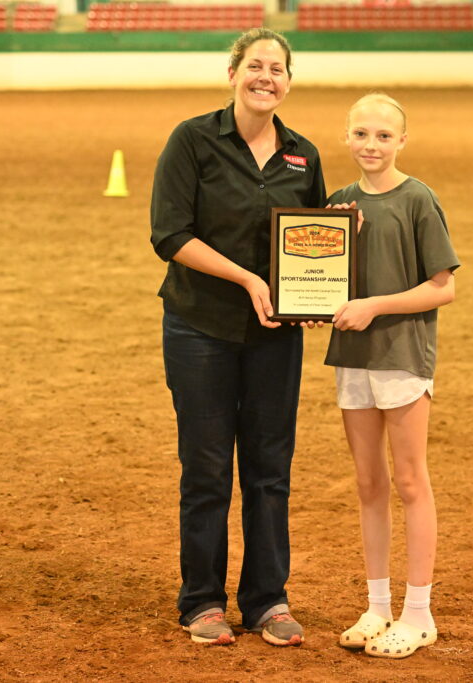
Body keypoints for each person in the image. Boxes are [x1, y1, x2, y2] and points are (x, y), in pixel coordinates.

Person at [149, 28, 326, 648]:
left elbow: (314, 240)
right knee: (205, 469)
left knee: (269, 469)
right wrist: (248, 277)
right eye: (255, 66)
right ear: (232, 73)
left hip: (275, 339)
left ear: (288, 81)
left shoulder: (303, 154)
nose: (265, 78)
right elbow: (169, 234)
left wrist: (316, 294)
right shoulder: (192, 140)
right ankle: (202, 601)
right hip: (200, 327)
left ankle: (267, 600)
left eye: (277, 69)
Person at [325, 93, 460, 659]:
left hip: (403, 355)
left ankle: (418, 612)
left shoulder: (418, 199)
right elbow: (321, 280)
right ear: (347, 138)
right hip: (352, 357)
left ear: (402, 141)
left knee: (409, 481)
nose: (371, 145)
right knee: (368, 485)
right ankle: (378, 605)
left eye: (383, 136)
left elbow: (443, 286)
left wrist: (374, 306)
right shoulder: (337, 204)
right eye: (361, 134)